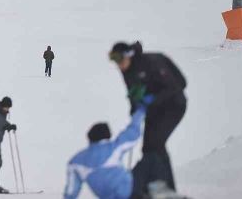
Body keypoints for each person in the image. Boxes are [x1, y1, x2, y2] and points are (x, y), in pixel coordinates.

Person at [109, 42, 187, 197]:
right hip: (153, 110)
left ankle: (162, 187)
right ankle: (162, 187)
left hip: (174, 106)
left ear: (129, 55)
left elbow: (177, 85)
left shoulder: (151, 62)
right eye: (115, 62)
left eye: (120, 61)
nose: (119, 66)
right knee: (148, 148)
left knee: (155, 144)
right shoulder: (126, 70)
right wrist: (135, 109)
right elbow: (132, 92)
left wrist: (152, 100)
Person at [63, 106, 147, 199]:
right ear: (108, 136)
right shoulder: (113, 147)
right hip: (128, 193)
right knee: (151, 159)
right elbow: (132, 133)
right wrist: (141, 110)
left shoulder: (76, 161)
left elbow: (71, 192)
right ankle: (160, 189)